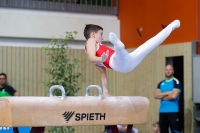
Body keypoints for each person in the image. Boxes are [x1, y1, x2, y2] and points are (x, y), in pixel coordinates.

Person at [84, 20, 180, 96]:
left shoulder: (94, 51)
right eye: (101, 34)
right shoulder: (91, 41)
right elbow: (92, 58)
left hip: (126, 64)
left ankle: (171, 26)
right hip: (115, 62)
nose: (102, 38)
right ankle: (118, 45)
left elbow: (102, 73)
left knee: (149, 45)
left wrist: (105, 92)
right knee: (119, 53)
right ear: (93, 34)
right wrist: (102, 59)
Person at [154, 65, 182, 133]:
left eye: (170, 69)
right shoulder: (160, 83)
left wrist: (162, 95)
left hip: (173, 111)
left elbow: (174, 96)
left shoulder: (176, 82)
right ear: (165, 71)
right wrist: (167, 93)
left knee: (175, 131)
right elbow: (156, 95)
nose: (168, 71)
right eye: (166, 69)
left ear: (173, 71)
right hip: (162, 111)